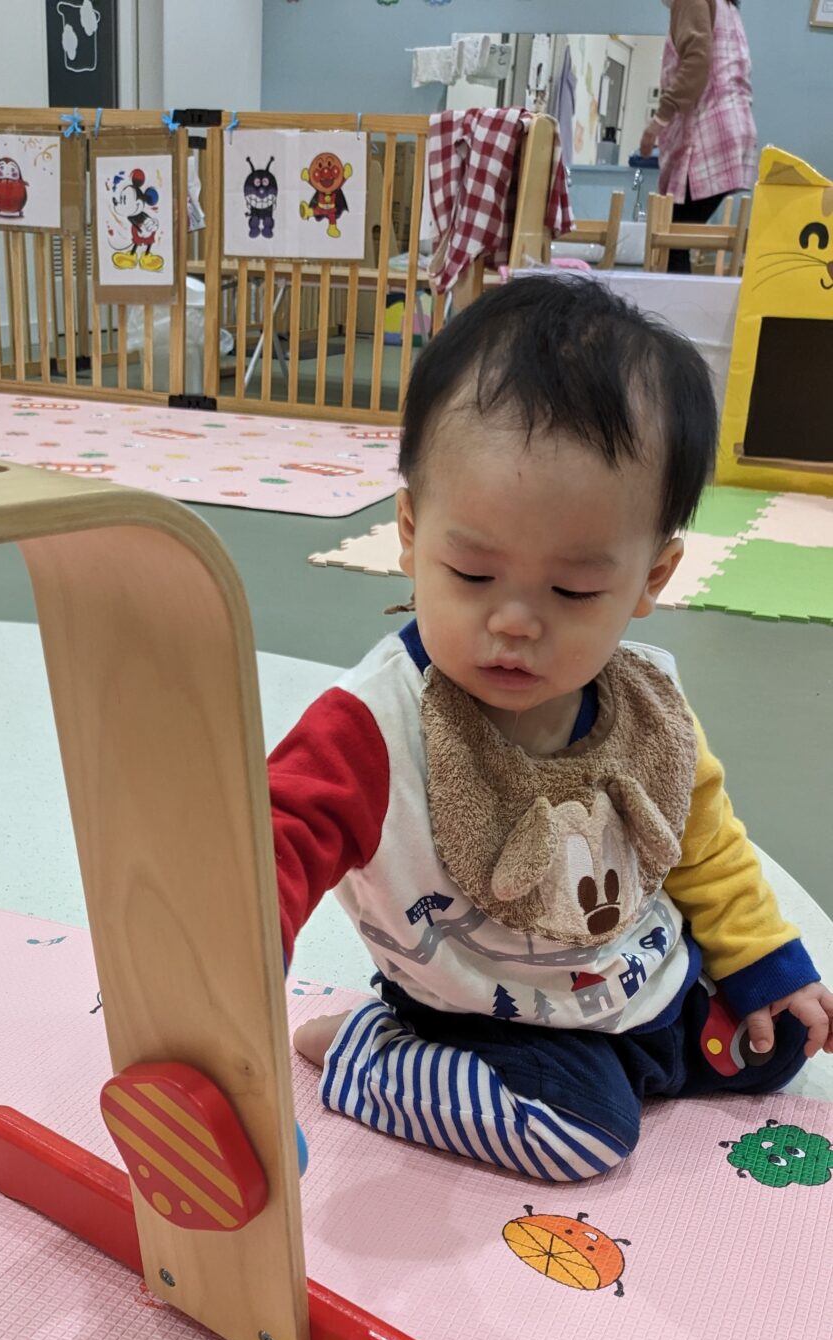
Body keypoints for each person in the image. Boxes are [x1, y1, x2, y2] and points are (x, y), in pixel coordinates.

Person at [267, 277, 833, 1184]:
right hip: (491, 1018)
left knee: (786, 1035)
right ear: (409, 532)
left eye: (574, 590)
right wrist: (242, 953)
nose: (516, 622)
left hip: (640, 975)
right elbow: (276, 833)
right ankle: (368, 1051)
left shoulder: (647, 705)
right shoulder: (376, 725)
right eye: (472, 574)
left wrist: (761, 954)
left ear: (651, 580)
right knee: (587, 1135)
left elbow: (702, 837)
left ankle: (644, 1057)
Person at [639, 0, 758, 275]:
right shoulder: (727, 7)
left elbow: (696, 63)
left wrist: (657, 122)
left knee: (671, 236)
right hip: (733, 130)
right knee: (676, 234)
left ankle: (674, 302)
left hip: (709, 134)